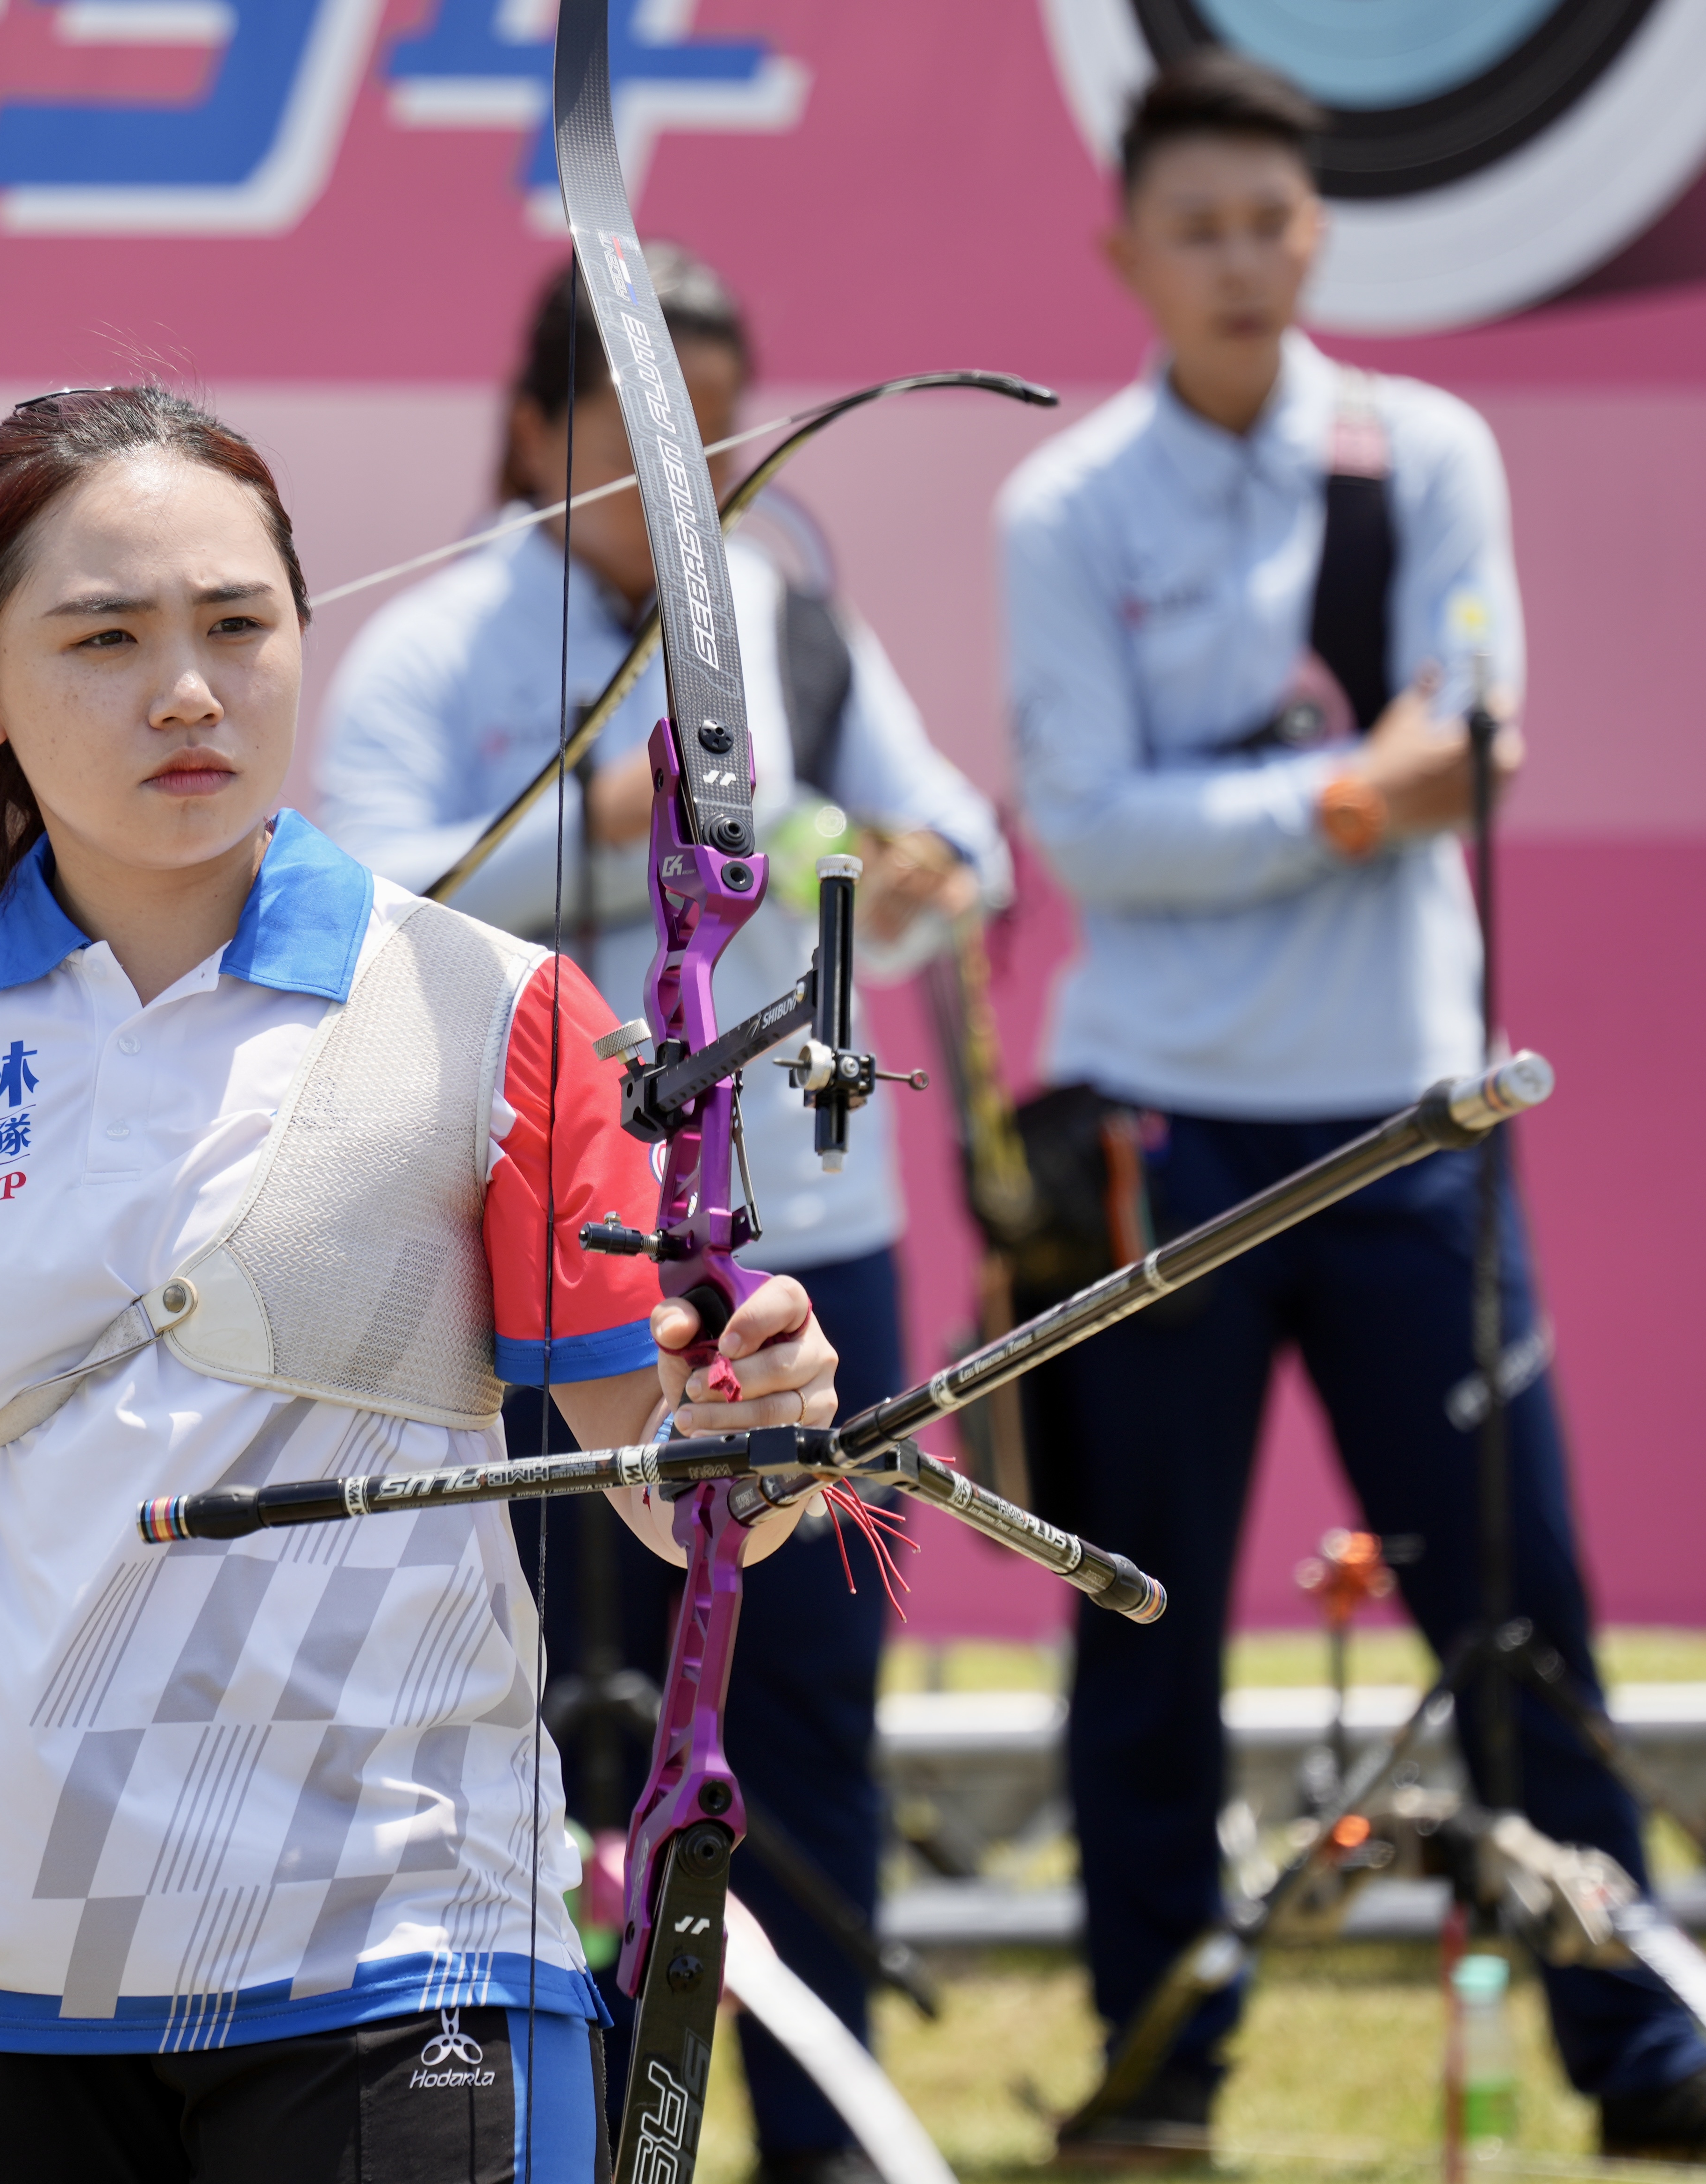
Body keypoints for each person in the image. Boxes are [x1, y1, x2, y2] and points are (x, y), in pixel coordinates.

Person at [0, 385, 846, 2182]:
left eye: (239, 626)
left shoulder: (494, 1012)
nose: (189, 688)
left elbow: (654, 1458)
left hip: (398, 1947)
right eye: (106, 638)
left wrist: (749, 1430)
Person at [997, 53, 1706, 2166]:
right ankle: (1156, 2067)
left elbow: (1486, 743)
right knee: (1144, 1620)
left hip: (1415, 1131)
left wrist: (1295, 799)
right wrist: (1350, 796)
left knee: (1516, 1610)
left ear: (1318, 234)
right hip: (1156, 1134)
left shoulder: (1426, 451)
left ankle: (1644, 2061)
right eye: (1201, 229)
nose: (1245, 262)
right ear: (1127, 255)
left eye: (1275, 222)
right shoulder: (1067, 509)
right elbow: (1092, 829)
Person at [316, 246, 1004, 2182]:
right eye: (638, 427)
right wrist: (598, 828)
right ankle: (568, 2115)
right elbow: (371, 902)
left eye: (717, 427)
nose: (692, 469)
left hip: (795, 1237)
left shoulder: (782, 617)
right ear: (539, 433)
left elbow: (956, 830)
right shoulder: (447, 642)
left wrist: (916, 855)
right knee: (545, 1714)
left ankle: (822, 2129)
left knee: (800, 1701)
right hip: (562, 1267)